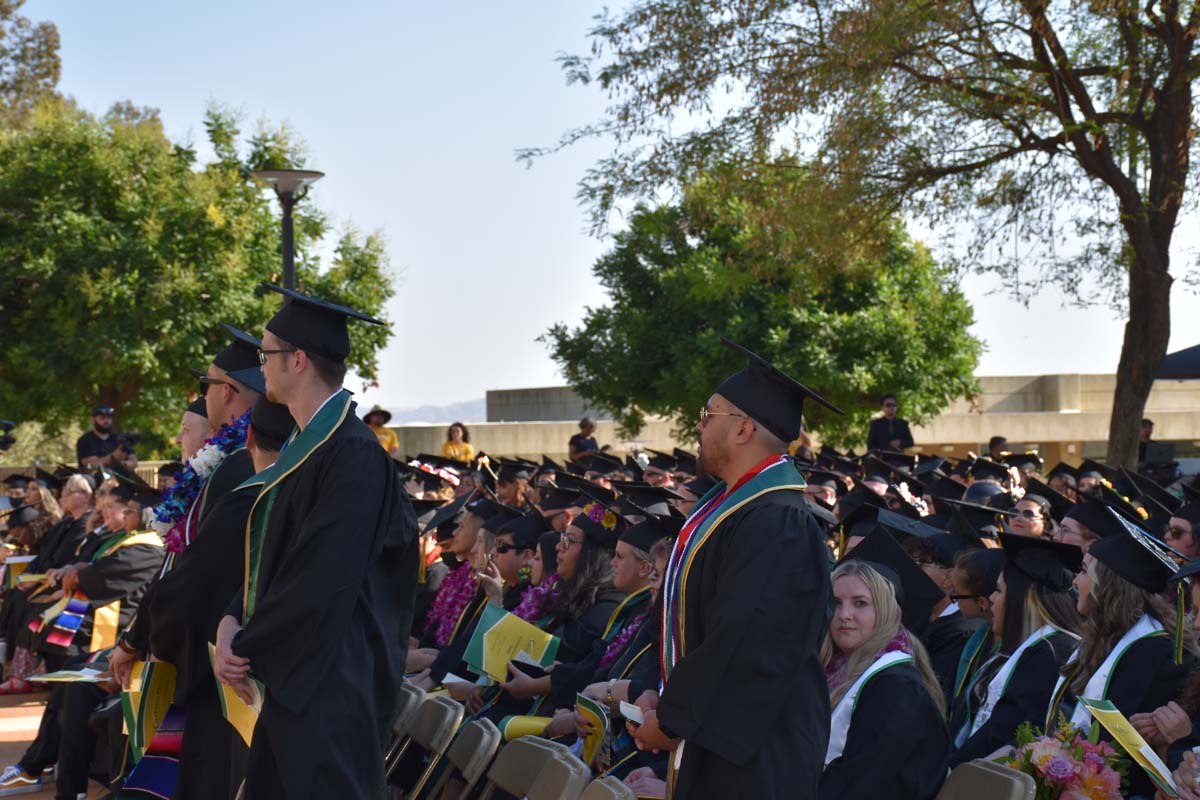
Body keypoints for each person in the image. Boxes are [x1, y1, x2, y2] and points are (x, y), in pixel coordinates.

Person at [213, 283, 418, 800]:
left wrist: (245, 645)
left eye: (266, 353)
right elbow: (276, 560)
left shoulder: (354, 455)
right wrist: (232, 617)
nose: (260, 365)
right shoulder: (308, 448)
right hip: (298, 682)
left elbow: (321, 576)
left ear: (298, 360)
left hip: (334, 688)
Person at [629, 339, 837, 799]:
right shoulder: (731, 510)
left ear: (743, 429)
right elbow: (697, 627)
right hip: (718, 739)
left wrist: (673, 718)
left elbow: (746, 642)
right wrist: (662, 690)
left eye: (709, 415)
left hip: (755, 757)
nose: (698, 427)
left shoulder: (779, 521)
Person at [142, 397, 295, 800]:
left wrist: (157, 640)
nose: (179, 438)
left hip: (226, 675)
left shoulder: (243, 489)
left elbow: (195, 578)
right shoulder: (296, 495)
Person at [1049, 528, 1196, 795]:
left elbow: (1122, 756)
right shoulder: (1100, 641)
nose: (1075, 581)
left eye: (1083, 571)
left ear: (1108, 583)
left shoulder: (1154, 654)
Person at [820, 558, 950, 800]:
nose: (844, 614)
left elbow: (864, 782)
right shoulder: (834, 670)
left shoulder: (897, 688)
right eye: (835, 603)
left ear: (886, 611)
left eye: (860, 603)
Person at [951, 535, 1083, 765]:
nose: (992, 599)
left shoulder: (1050, 654)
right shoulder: (1034, 648)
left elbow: (1003, 732)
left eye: (1000, 591)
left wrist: (949, 770)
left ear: (1023, 600)